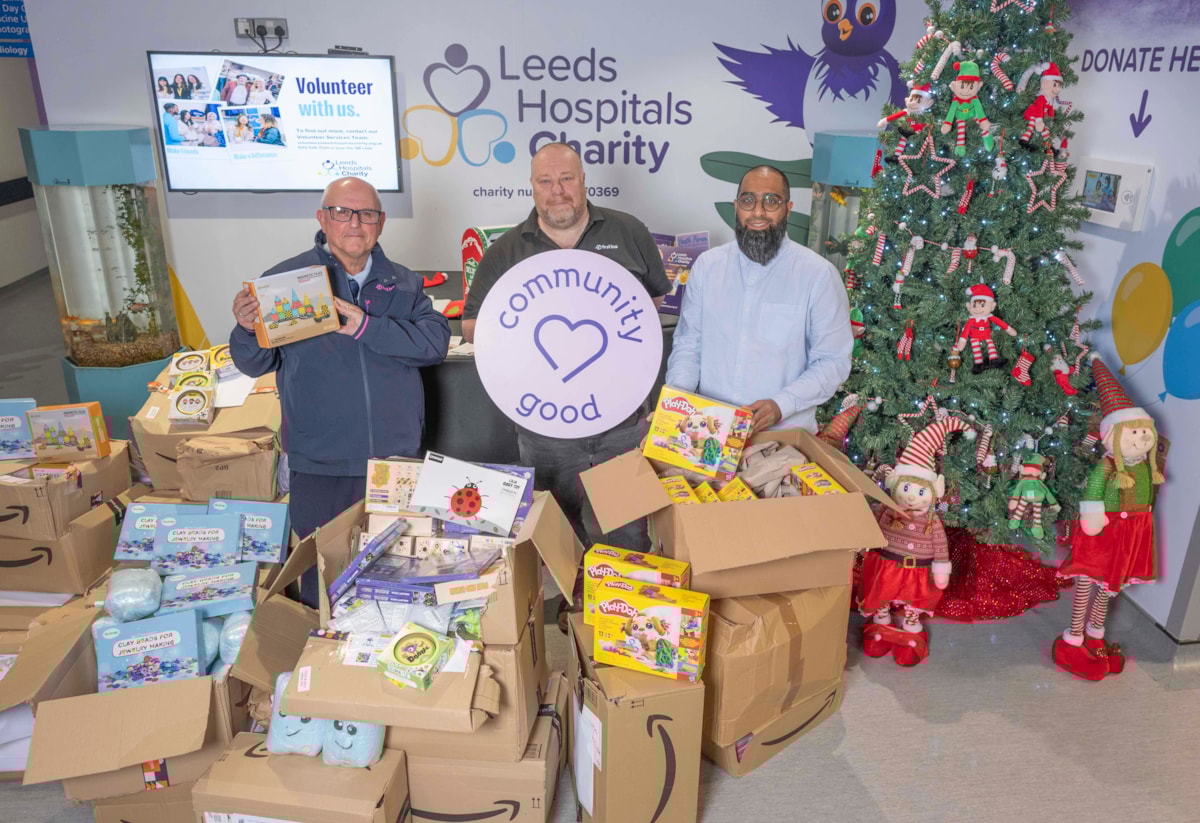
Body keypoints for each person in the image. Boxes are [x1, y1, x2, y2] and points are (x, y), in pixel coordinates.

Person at [228, 177, 451, 607]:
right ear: (323, 219)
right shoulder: (285, 283)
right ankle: (325, 663)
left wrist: (367, 327)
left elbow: (433, 345)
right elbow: (254, 362)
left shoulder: (403, 283)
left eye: (366, 214)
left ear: (380, 223)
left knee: (396, 574)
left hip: (393, 460)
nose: (355, 223)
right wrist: (244, 328)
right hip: (320, 463)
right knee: (324, 580)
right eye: (342, 212)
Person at [462, 142, 671, 558]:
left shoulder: (628, 231)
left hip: (622, 424)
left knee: (627, 531)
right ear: (532, 188)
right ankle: (573, 611)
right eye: (546, 181)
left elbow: (654, 303)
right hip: (545, 429)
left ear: (583, 181)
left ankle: (622, 609)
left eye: (567, 179)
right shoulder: (506, 251)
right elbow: (472, 327)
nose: (558, 190)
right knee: (560, 537)